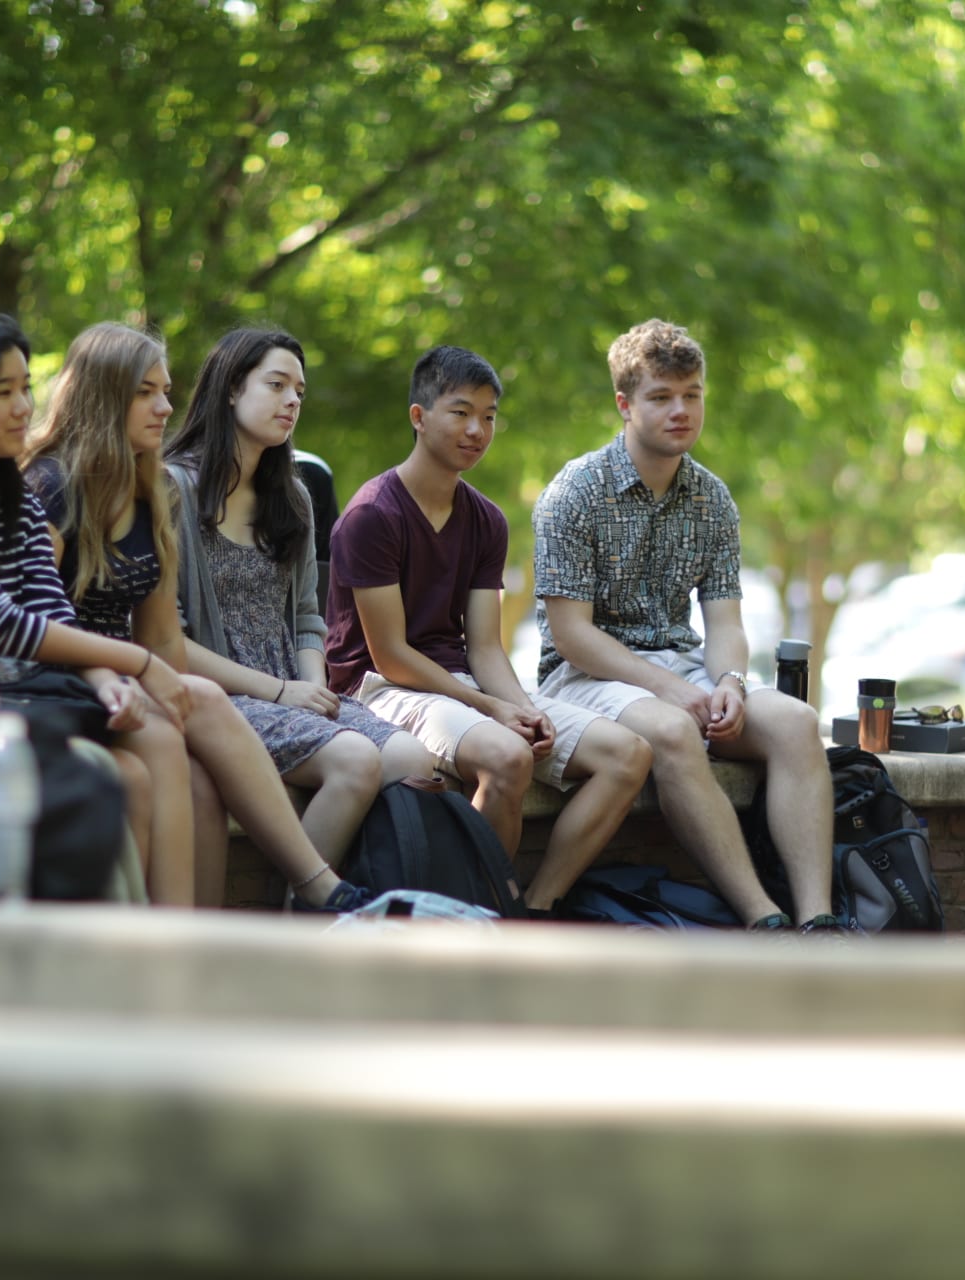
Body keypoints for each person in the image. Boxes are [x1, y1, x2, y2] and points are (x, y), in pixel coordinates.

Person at [23, 320, 374, 910]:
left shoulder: (147, 493)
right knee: (204, 713)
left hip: (133, 676)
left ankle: (201, 950)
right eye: (146, 392)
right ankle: (317, 889)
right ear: (104, 394)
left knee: (206, 790)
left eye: (166, 390)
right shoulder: (51, 487)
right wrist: (138, 670)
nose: (165, 406)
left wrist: (150, 671)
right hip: (59, 676)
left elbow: (163, 639)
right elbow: (36, 625)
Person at [533, 318, 846, 933]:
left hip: (681, 671)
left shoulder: (712, 498)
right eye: (661, 397)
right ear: (624, 405)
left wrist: (728, 679)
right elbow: (570, 635)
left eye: (692, 394)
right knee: (674, 730)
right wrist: (671, 688)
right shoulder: (574, 492)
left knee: (796, 722)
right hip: (584, 677)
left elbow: (725, 620)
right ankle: (765, 919)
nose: (682, 410)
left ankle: (819, 922)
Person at [324, 346, 653, 912]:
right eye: (460, 412)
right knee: (507, 757)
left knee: (626, 754)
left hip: (457, 684)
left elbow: (483, 646)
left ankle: (531, 909)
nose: (477, 429)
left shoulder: (486, 519)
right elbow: (390, 654)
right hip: (379, 689)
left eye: (489, 415)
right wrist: (490, 709)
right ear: (418, 416)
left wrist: (521, 705)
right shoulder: (372, 515)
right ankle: (471, 918)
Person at [0, 316, 202, 905]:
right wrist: (137, 662)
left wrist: (103, 678)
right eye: (4, 392)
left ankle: (156, 955)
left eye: (25, 389)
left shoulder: (13, 498)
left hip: (10, 686)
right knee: (116, 775)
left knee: (143, 762)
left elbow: (48, 607)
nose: (23, 407)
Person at [163, 327, 434, 885]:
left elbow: (310, 617)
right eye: (277, 385)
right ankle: (300, 916)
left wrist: (313, 688)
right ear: (232, 389)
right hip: (218, 696)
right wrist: (283, 693)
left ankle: (365, 905)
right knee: (355, 762)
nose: (292, 401)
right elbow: (169, 639)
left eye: (300, 393)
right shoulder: (173, 491)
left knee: (417, 763)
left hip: (294, 689)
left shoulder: (294, 494)